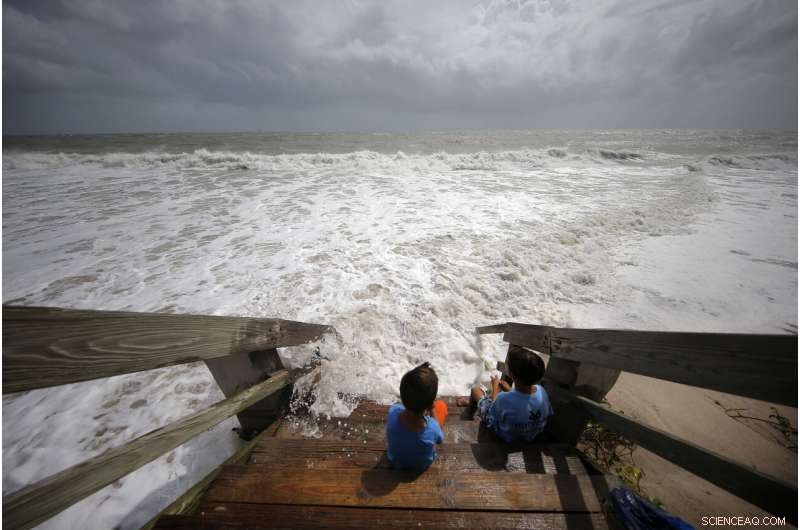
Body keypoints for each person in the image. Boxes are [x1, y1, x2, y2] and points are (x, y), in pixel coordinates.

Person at [459, 345, 553, 443]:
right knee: (497, 399)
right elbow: (525, 402)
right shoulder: (542, 392)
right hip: (531, 435)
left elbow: (492, 411)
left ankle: (469, 414)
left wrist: (495, 387)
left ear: (511, 374)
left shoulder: (503, 399)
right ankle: (477, 404)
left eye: (507, 363)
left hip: (507, 437)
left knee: (475, 390)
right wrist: (509, 389)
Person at [386, 362, 449, 470]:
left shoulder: (393, 411)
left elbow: (401, 408)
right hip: (421, 465)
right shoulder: (433, 428)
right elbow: (440, 440)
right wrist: (432, 409)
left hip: (395, 460)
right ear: (429, 404)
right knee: (441, 406)